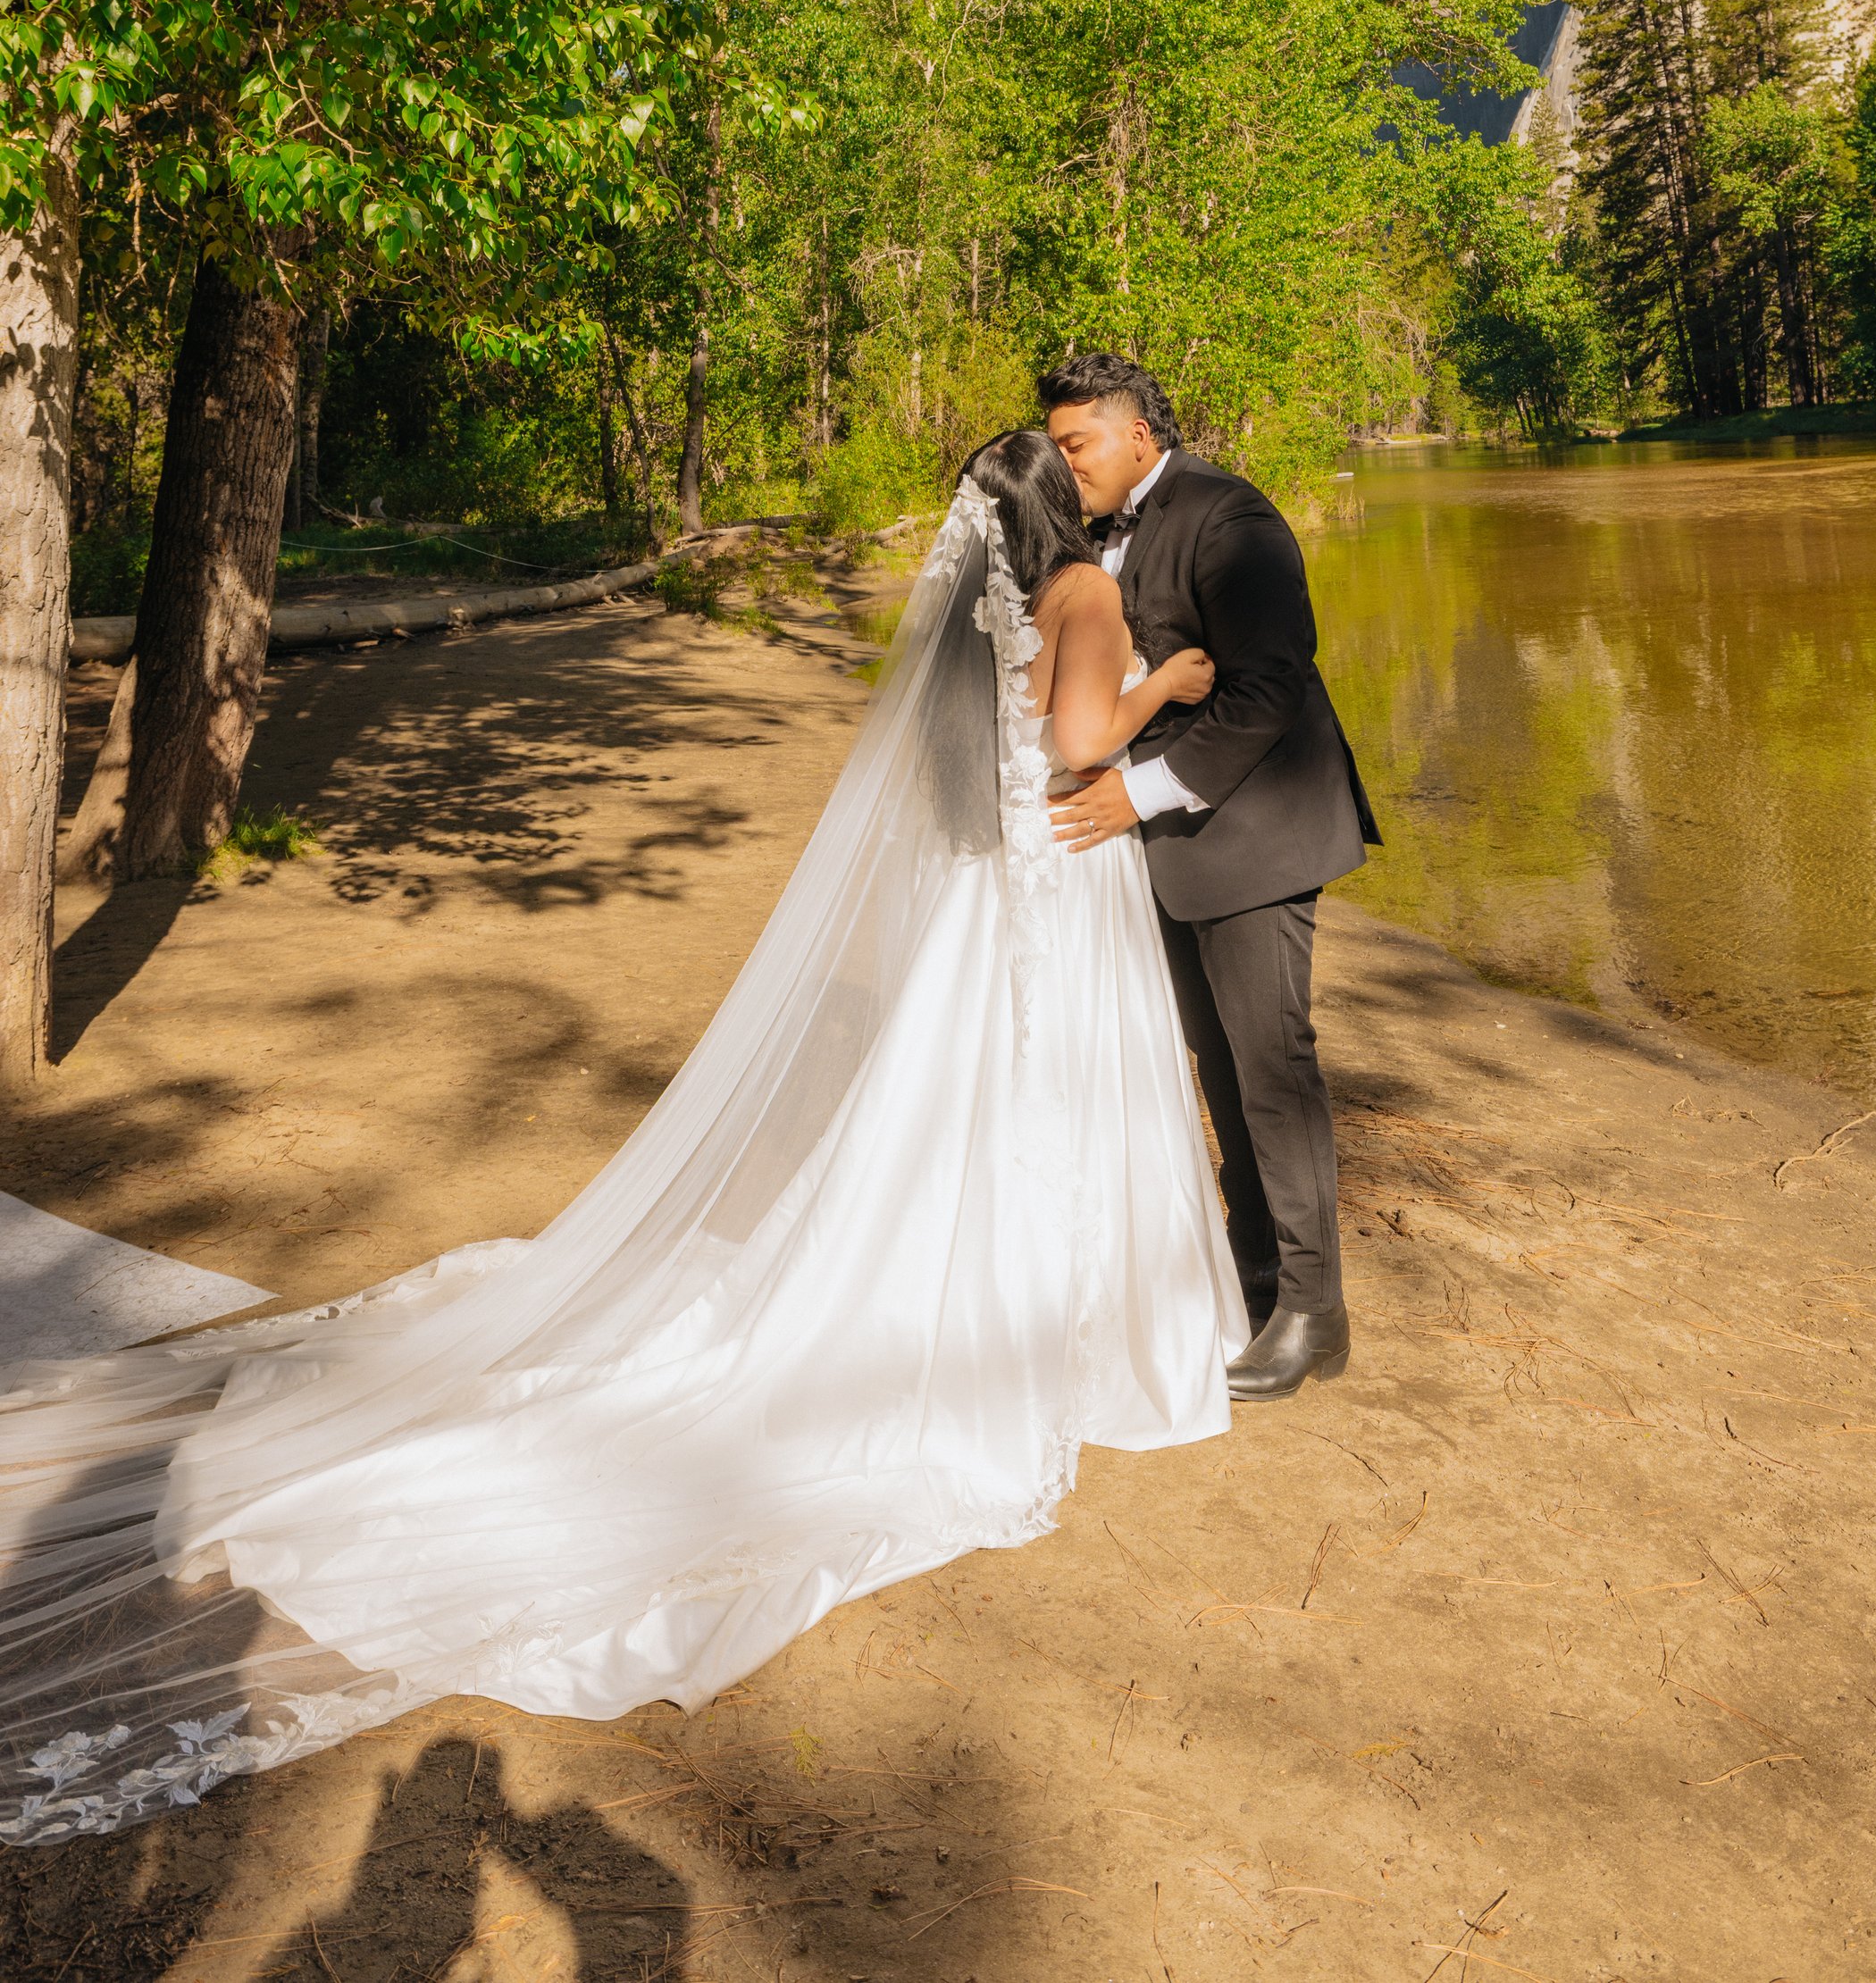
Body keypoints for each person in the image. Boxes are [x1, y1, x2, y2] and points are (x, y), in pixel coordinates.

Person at [0, 436, 1243, 1846]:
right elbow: (1083, 745)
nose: (1093, 480)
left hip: (988, 892)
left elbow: (978, 754)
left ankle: (992, 1305)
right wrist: (1175, 683)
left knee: (965, 1115)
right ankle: (1056, 1334)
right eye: (1075, 466)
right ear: (1056, 503)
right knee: (1044, 1101)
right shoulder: (1079, 589)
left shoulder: (982, 601)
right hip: (1058, 888)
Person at [1041, 355, 1378, 1402]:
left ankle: (1317, 1315)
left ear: (1137, 433)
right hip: (1176, 850)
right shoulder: (1093, 537)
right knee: (1217, 1067)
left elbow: (1270, 686)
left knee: (1271, 1067)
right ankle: (1257, 1267)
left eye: (1075, 443)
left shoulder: (1232, 519)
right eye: (1052, 447)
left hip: (1258, 831)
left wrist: (1136, 794)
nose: (1064, 463)